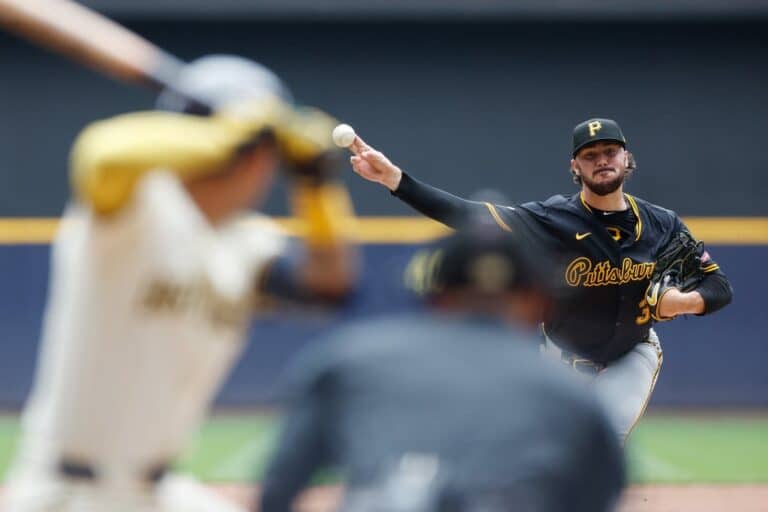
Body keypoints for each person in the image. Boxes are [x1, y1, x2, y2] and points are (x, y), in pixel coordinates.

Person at [4, 55, 357, 512]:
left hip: (160, 489)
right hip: (69, 492)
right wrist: (236, 132)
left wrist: (316, 183)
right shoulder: (135, 206)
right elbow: (99, 152)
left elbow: (330, 287)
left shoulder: (244, 242)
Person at [347, 118, 733, 440]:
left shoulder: (662, 224)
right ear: (575, 167)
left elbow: (718, 286)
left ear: (626, 158)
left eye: (610, 151)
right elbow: (465, 214)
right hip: (561, 357)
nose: (602, 160)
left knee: (603, 437)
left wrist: (684, 302)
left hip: (632, 352)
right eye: (590, 155)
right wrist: (396, 179)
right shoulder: (550, 220)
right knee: (545, 444)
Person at [258, 222, 625, 512]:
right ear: (538, 302)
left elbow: (276, 494)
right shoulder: (572, 390)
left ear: (435, 296)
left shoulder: (347, 358)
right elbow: (598, 496)